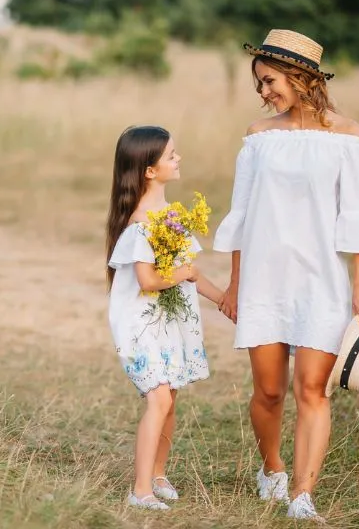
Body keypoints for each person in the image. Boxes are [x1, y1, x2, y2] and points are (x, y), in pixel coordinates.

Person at [213, 30, 359, 521]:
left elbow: (357, 216)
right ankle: (272, 468)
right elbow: (242, 216)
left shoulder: (348, 136)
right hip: (264, 278)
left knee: (313, 389)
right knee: (269, 392)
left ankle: (302, 496)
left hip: (321, 281)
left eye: (269, 81)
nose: (263, 92)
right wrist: (235, 284)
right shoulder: (259, 137)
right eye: (259, 84)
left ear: (300, 77)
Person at [106, 125, 224, 510]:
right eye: (171, 155)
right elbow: (148, 280)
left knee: (170, 398)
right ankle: (140, 491)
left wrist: (224, 300)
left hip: (169, 321)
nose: (178, 159)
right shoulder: (140, 222)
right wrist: (183, 273)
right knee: (158, 398)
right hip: (142, 322)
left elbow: (192, 272)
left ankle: (158, 474)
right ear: (149, 170)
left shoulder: (170, 216)